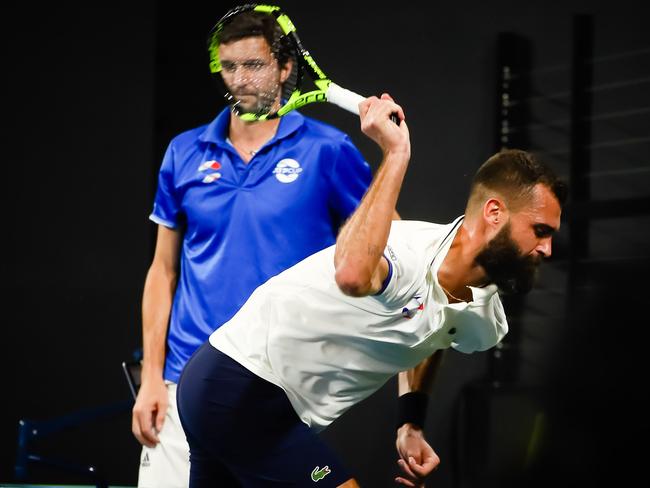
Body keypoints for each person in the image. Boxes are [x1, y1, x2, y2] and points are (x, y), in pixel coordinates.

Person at [176, 94, 568, 487]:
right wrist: (395, 154)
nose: (547, 249)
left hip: (240, 396)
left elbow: (437, 333)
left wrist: (410, 420)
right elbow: (351, 274)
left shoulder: (484, 319)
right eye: (540, 231)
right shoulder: (407, 253)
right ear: (494, 213)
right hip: (240, 383)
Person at [131, 9, 373, 488]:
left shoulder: (329, 150)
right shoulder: (183, 152)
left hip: (276, 384)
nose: (240, 80)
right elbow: (163, 270)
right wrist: (151, 378)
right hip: (184, 382)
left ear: (286, 68)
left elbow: (385, 245)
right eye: (229, 66)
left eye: (254, 65)